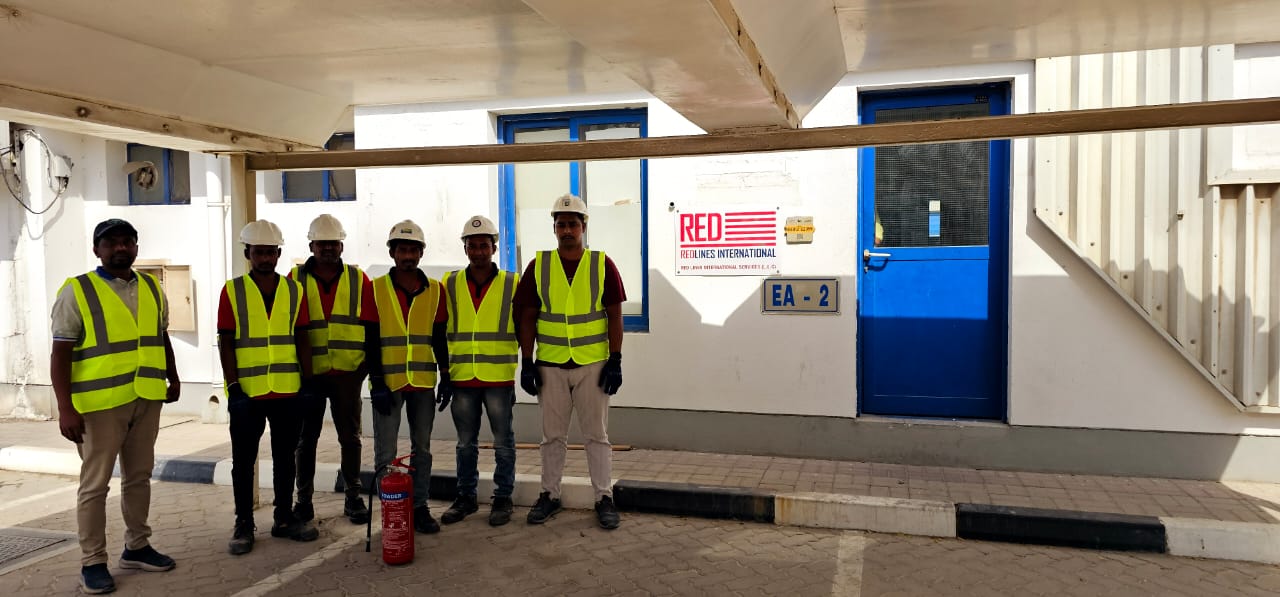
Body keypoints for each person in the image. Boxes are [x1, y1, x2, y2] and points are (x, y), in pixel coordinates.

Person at [51, 218, 180, 594]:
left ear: (136, 247)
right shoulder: (78, 290)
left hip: (146, 396)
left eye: (127, 241)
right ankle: (92, 562)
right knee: (95, 485)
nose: (120, 248)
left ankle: (137, 546)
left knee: (139, 477)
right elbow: (60, 353)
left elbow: (161, 335)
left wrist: (173, 376)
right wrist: (65, 408)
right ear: (97, 250)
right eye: (111, 243)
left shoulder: (152, 287)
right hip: (99, 406)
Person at [514, 194, 626, 530]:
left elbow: (615, 315)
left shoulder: (602, 263)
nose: (566, 230)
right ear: (554, 228)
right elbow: (527, 317)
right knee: (552, 437)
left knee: (597, 436)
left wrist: (616, 359)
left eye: (572, 224)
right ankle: (549, 495)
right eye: (561, 224)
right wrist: (527, 362)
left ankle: (604, 497)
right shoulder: (539, 265)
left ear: (583, 226)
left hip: (593, 366)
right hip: (550, 366)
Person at [218, 220, 319, 556]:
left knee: (285, 459)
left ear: (278, 253)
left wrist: (307, 382)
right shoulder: (232, 291)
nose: (265, 258)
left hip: (287, 390)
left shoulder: (294, 290)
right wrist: (233, 387)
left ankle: (283, 518)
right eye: (258, 252)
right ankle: (243, 523)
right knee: (243, 461)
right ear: (248, 253)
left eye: (270, 252)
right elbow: (226, 341)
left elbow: (302, 337)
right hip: (248, 392)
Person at [290, 214, 378, 525]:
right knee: (306, 440)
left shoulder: (358, 279)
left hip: (347, 375)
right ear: (311, 246)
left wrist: (363, 369)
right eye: (322, 243)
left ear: (341, 246)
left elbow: (372, 326)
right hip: (309, 376)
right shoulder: (294, 278)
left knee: (350, 438)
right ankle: (303, 501)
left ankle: (353, 497)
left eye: (333, 243)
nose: (328, 248)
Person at [369, 220, 453, 534]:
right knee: (386, 453)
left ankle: (419, 507)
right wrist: (377, 381)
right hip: (388, 383)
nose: (407, 255)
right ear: (392, 253)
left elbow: (439, 337)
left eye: (413, 250)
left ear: (421, 253)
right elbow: (370, 338)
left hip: (422, 382)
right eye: (402, 250)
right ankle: (391, 511)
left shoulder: (435, 290)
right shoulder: (375, 289)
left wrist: (446, 375)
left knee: (423, 450)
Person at [440, 216, 519, 527]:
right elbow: (439, 328)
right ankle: (466, 497)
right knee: (465, 444)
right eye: (472, 246)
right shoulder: (449, 283)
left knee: (503, 443)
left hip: (498, 377)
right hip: (462, 376)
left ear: (494, 248)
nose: (478, 251)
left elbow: (525, 325)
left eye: (483, 245)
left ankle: (503, 498)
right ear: (465, 249)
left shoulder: (511, 283)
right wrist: (444, 373)